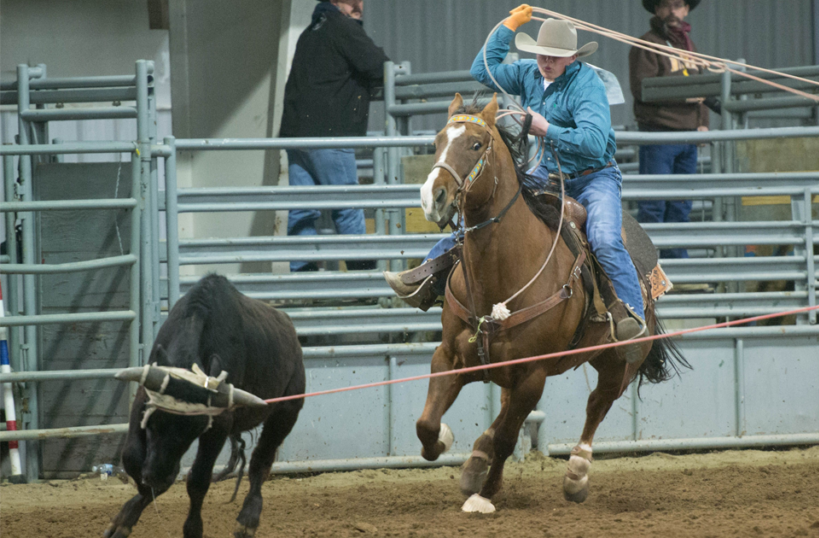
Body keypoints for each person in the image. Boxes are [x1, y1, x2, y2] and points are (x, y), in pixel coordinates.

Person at [385, 6, 650, 361]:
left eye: (555, 57)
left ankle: (630, 315)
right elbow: (482, 69)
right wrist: (509, 26)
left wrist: (546, 129)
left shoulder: (587, 85)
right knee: (489, 215)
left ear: (572, 57)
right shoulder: (528, 73)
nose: (546, 62)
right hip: (547, 173)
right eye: (542, 54)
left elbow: (594, 143)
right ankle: (428, 275)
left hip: (593, 178)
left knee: (603, 236)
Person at [279, 0, 388, 272]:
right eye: (352, 1)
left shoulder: (311, 31)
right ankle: (362, 280)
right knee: (347, 208)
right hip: (329, 135)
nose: (358, 6)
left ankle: (304, 284)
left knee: (302, 211)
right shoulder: (342, 28)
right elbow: (380, 66)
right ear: (336, 2)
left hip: (296, 137)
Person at [629, 0, 717, 259]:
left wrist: (703, 122)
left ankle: (678, 265)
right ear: (657, 10)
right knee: (654, 205)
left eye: (678, 5)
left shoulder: (690, 48)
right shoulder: (646, 44)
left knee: (681, 205)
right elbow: (642, 88)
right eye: (666, 5)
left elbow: (701, 88)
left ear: (686, 10)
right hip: (659, 134)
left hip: (688, 135)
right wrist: (684, 94)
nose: (672, 12)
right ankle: (651, 268)